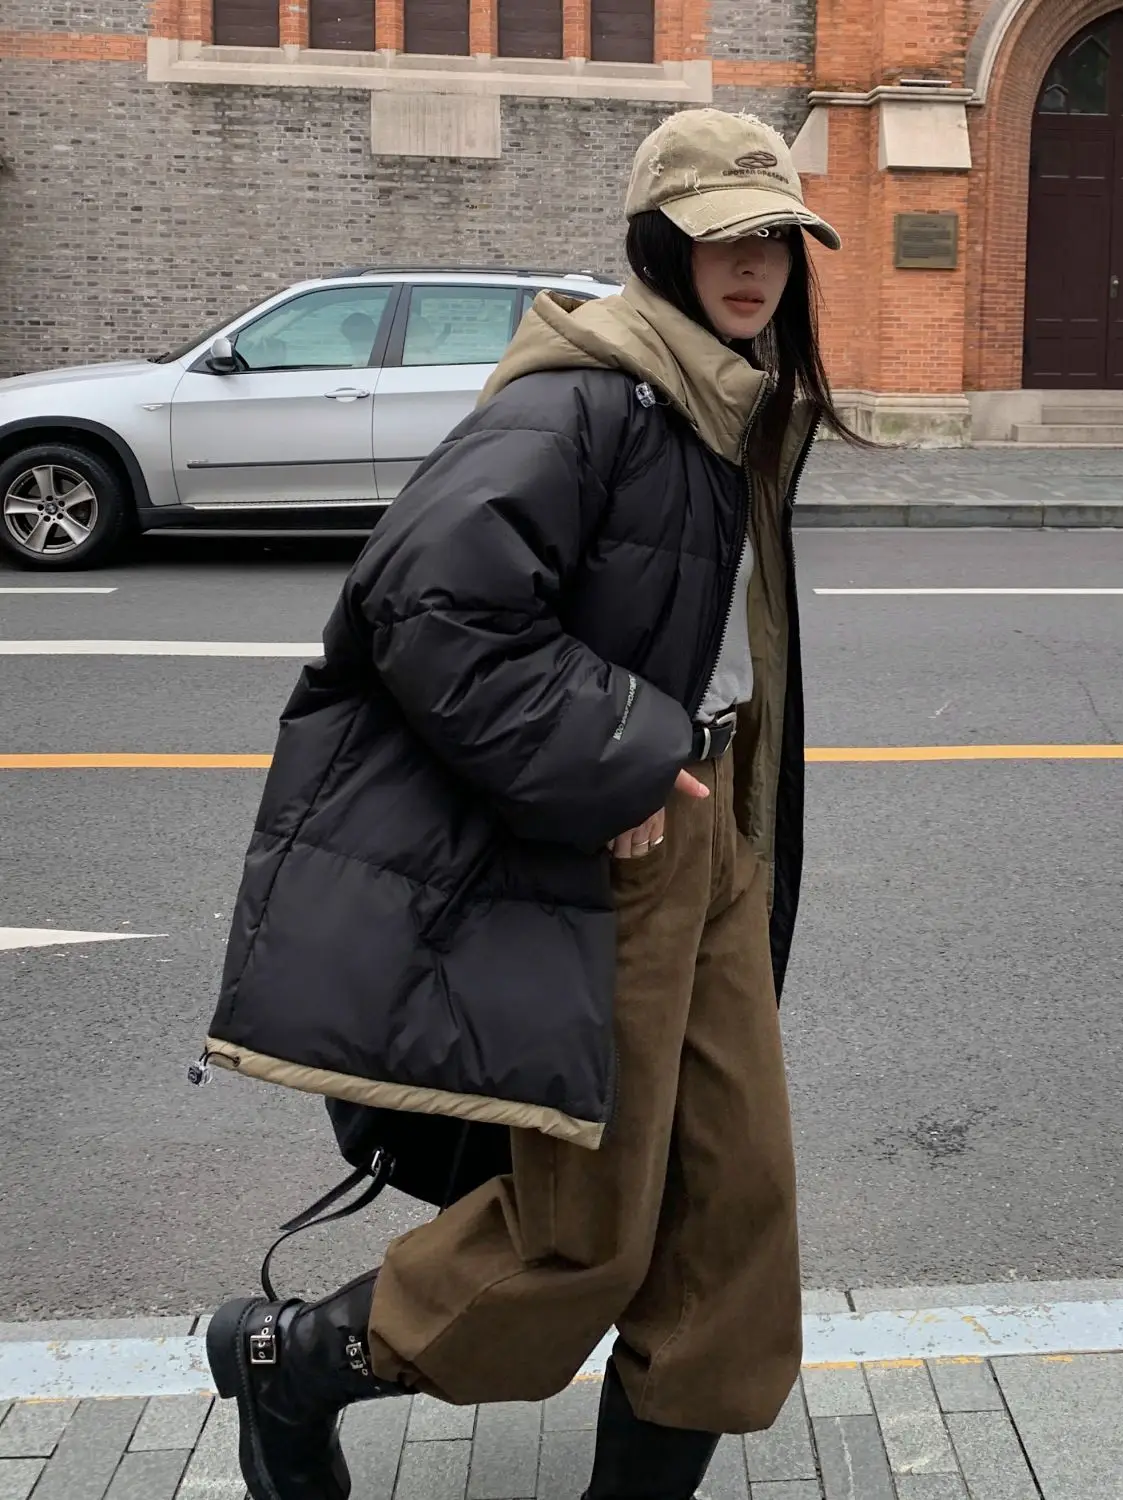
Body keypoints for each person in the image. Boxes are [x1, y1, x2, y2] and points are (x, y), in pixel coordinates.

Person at [196, 107, 866, 1500]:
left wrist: (710, 799)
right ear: (659, 244)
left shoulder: (726, 400)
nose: (754, 264)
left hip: (706, 834)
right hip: (609, 844)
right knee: (586, 1234)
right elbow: (427, 601)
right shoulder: (592, 398)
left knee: (734, 1217)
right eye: (722, 237)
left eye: (776, 238)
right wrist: (615, 755)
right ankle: (291, 1360)